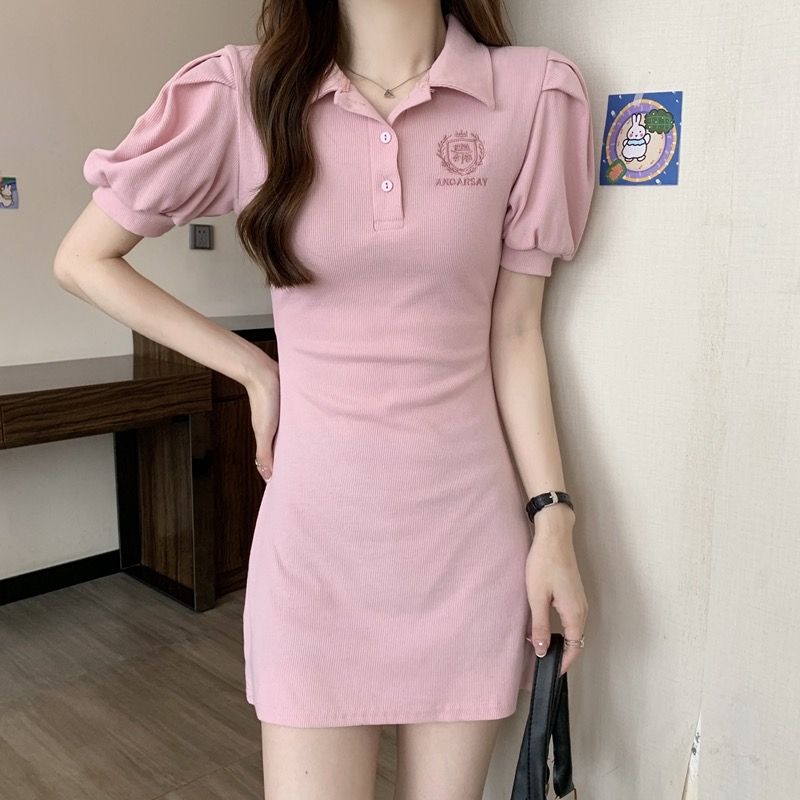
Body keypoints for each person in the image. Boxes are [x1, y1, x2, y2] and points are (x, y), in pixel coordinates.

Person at [54, 2, 595, 798]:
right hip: (314, 553)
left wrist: (553, 521)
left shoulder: (534, 93)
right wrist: (254, 369)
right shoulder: (243, 91)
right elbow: (84, 259)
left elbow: (514, 334)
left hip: (466, 547)